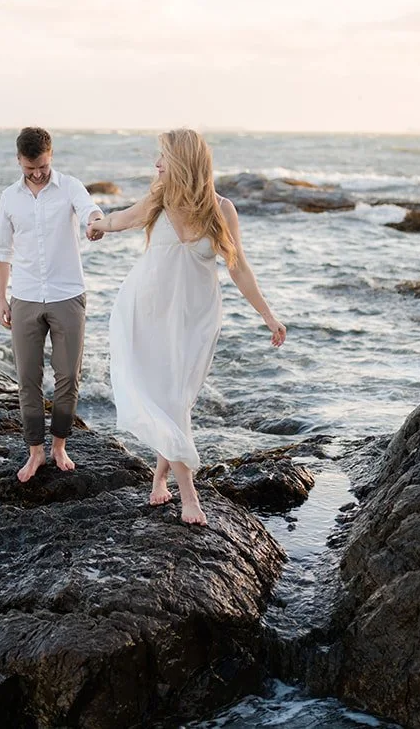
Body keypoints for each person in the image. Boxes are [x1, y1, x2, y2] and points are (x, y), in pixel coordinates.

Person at [88, 128, 286, 525]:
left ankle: (161, 475)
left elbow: (239, 267)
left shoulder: (221, 210)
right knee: (169, 399)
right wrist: (97, 224)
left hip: (195, 317)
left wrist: (268, 314)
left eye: (162, 157)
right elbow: (123, 219)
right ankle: (189, 496)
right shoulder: (158, 200)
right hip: (147, 312)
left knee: (177, 399)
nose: (156, 164)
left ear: (182, 162)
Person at [0, 126, 104, 482]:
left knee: (68, 376)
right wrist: (1, 298)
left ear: (50, 156)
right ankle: (35, 452)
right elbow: (1, 251)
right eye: (29, 169)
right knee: (27, 378)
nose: (37, 174)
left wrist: (96, 223)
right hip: (24, 297)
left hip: (67, 294)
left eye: (41, 166)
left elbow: (90, 209)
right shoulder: (9, 198)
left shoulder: (69, 186)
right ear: (19, 162)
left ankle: (59, 446)